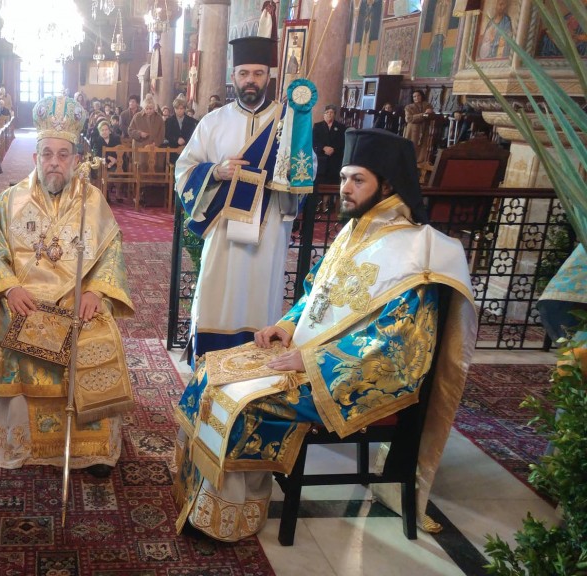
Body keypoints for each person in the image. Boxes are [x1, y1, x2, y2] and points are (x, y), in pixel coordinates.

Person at [173, 128, 477, 542]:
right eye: (344, 177)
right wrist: (286, 325)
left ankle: (230, 517)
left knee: (243, 402)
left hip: (352, 375)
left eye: (358, 180)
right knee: (212, 370)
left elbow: (400, 344)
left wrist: (313, 360)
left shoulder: (419, 253)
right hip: (308, 354)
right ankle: (200, 500)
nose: (345, 188)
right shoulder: (356, 231)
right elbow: (316, 295)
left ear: (387, 185)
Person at [0, 95, 134, 478]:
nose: (54, 162)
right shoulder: (10, 201)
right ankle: (19, 443)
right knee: (23, 340)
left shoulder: (93, 201)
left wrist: (95, 292)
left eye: (63, 154)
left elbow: (111, 251)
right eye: (47, 154)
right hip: (28, 303)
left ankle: (90, 449)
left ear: (76, 159)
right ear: (35, 157)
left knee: (96, 338)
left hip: (77, 303)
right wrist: (9, 289)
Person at [174, 36, 295, 360]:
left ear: (268, 76)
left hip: (269, 229)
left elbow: (304, 172)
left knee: (260, 295)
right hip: (224, 230)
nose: (250, 80)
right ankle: (209, 364)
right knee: (217, 293)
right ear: (233, 77)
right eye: (244, 74)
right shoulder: (213, 122)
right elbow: (183, 170)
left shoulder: (288, 123)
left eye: (257, 73)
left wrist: (286, 172)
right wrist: (216, 171)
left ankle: (256, 367)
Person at [312, 104, 346, 186]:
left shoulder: (341, 127)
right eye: (327, 112)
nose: (329, 114)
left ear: (334, 114)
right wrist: (323, 147)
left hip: (335, 160)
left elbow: (343, 142)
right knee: (319, 184)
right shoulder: (317, 126)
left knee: (332, 184)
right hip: (321, 159)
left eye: (331, 112)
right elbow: (314, 140)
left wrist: (333, 149)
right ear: (324, 114)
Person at [404, 89, 435, 166]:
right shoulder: (409, 107)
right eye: (414, 96)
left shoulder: (427, 105)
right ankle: (409, 162)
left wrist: (429, 113)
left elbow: (431, 116)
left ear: (422, 96)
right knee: (411, 146)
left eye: (418, 95)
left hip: (424, 129)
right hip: (413, 130)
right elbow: (409, 119)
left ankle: (421, 163)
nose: (416, 98)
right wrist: (423, 115)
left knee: (423, 147)